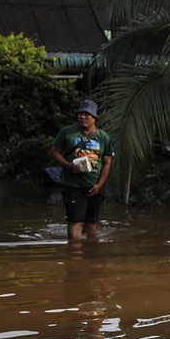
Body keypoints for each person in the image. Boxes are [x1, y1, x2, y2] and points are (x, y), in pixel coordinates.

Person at [50, 100, 114, 240]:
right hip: (72, 185)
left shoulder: (103, 137)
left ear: (95, 118)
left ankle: (90, 253)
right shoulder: (67, 132)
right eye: (80, 113)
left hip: (94, 186)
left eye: (87, 114)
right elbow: (55, 152)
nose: (83, 117)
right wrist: (67, 165)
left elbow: (107, 163)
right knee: (74, 221)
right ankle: (74, 255)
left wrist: (99, 185)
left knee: (91, 222)